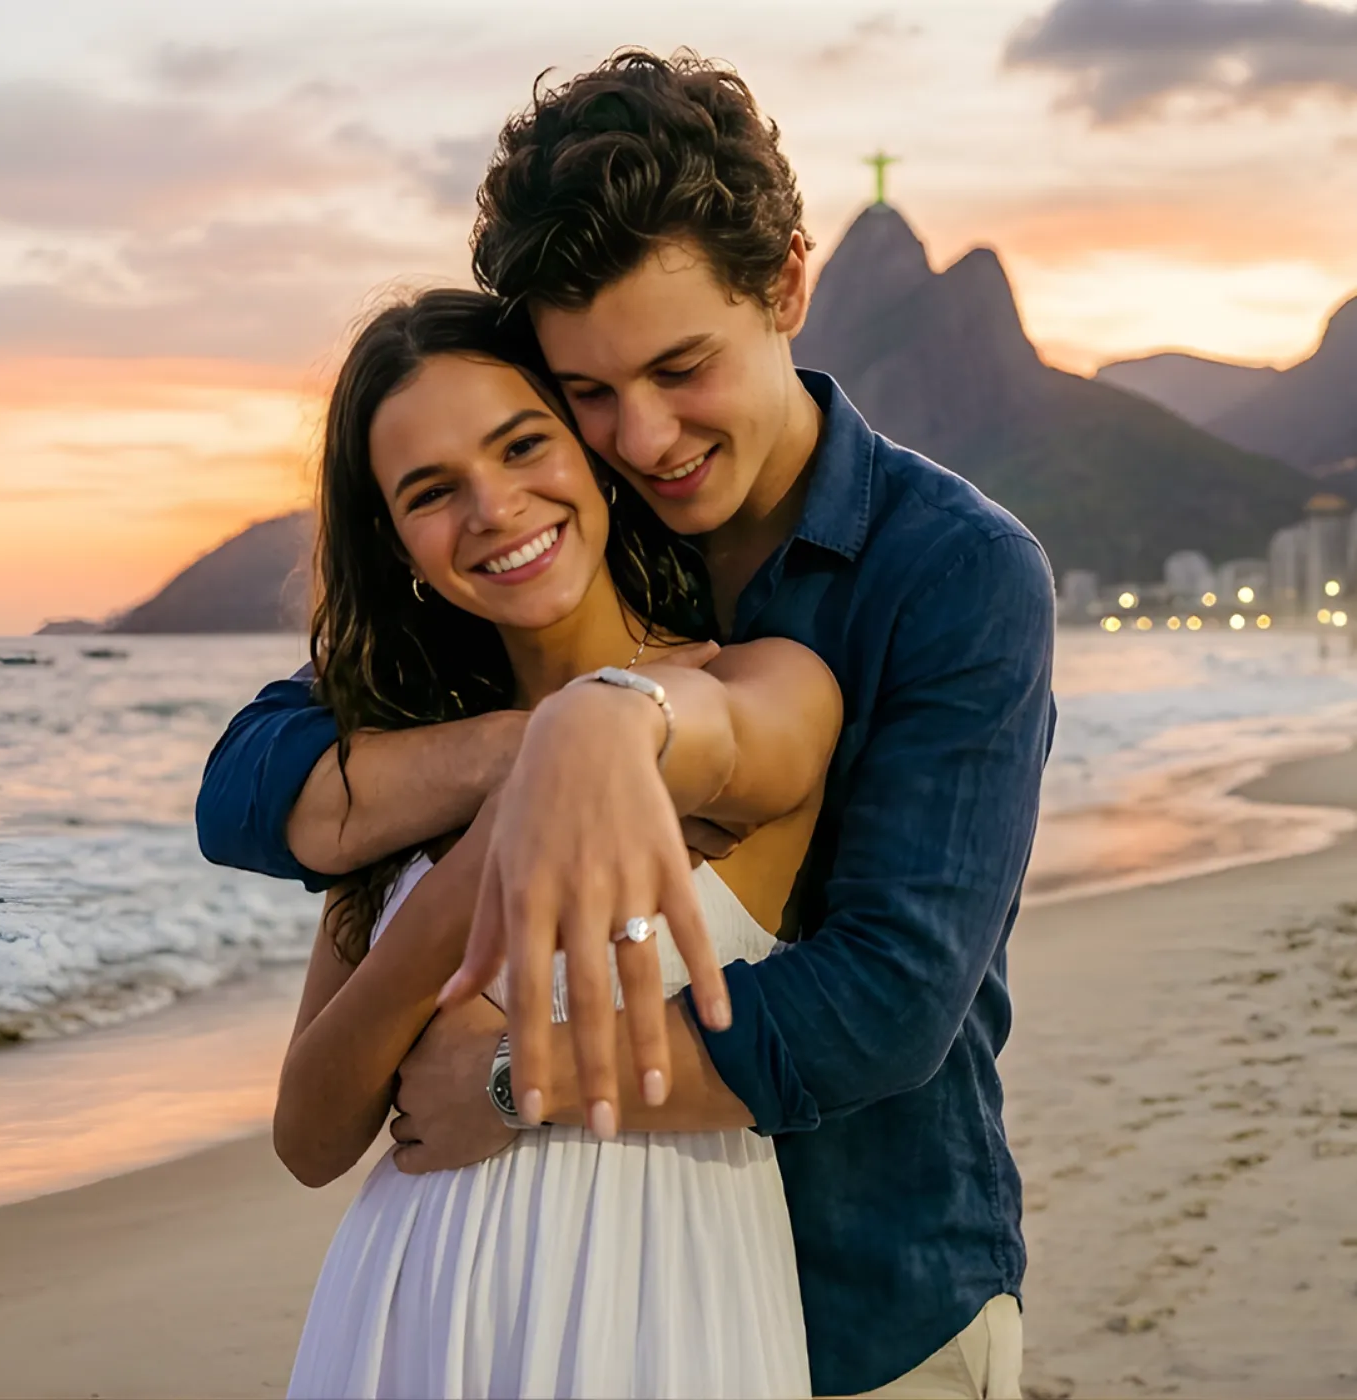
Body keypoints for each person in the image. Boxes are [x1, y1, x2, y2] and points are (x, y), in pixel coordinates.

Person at [198, 51, 1055, 1399]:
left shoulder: (947, 571)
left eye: (680, 367)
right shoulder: (532, 569)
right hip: (455, 1309)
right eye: (586, 393)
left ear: (785, 286)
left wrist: (506, 1081)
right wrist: (517, 760)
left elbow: (884, 1006)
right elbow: (246, 788)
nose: (643, 438)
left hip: (861, 1293)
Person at [275, 287, 841, 1398]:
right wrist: (482, 851)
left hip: (664, 1303)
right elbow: (309, 1133)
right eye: (431, 491)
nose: (491, 507)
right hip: (410, 1313)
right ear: (395, 543)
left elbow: (746, 741)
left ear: (590, 454)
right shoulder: (406, 769)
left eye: (522, 443)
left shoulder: (758, 682)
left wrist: (602, 723)